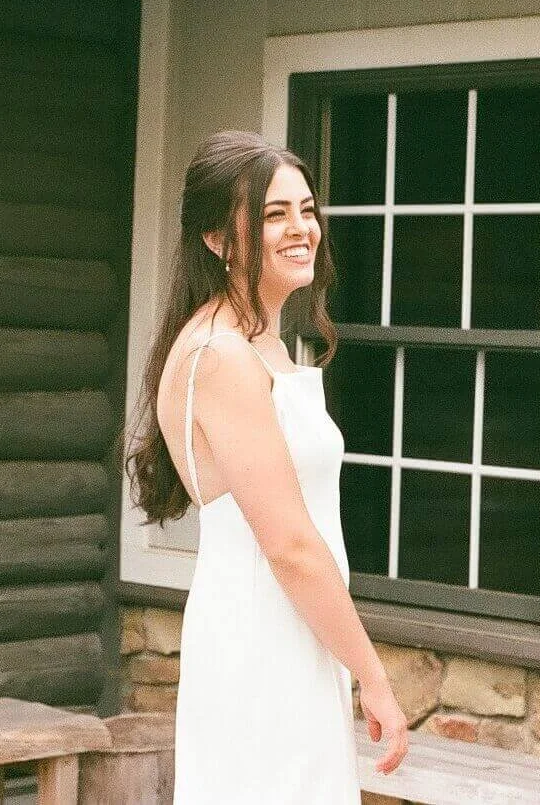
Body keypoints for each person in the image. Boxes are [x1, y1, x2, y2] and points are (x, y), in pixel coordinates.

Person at [121, 129, 410, 802]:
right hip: (262, 639)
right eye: (274, 214)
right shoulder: (222, 355)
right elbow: (288, 544)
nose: (301, 228)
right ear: (219, 239)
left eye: (305, 209)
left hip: (292, 630)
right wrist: (374, 674)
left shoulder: (262, 344)